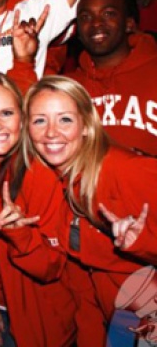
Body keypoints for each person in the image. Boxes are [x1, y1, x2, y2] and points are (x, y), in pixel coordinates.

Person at [20, 76, 157, 346]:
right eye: (39, 120)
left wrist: (144, 242)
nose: (51, 132)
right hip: (119, 321)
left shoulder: (124, 168)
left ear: (86, 125)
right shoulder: (59, 178)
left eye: (65, 119)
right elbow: (84, 276)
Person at [0, 72, 76, 346]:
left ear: (22, 119)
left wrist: (21, 236)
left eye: (6, 113)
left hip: (36, 313)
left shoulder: (39, 176)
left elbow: (52, 268)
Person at [67, 0, 157, 156]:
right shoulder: (69, 87)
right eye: (85, 17)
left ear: (129, 24)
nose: (96, 23)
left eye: (108, 14)